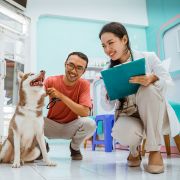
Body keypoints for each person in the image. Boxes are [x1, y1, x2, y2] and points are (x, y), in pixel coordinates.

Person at [99, 22, 180, 174]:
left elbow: (168, 81)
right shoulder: (107, 70)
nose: (107, 50)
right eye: (103, 46)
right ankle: (134, 150)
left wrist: (152, 78)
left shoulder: (149, 57)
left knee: (147, 89)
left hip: (154, 111)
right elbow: (106, 106)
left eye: (110, 43)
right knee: (121, 133)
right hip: (129, 114)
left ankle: (154, 151)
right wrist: (108, 93)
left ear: (124, 40)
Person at [44, 52, 96, 160]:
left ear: (84, 71)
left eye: (79, 68)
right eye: (71, 65)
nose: (73, 70)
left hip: (71, 127)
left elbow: (85, 112)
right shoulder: (51, 80)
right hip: (50, 126)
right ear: (65, 64)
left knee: (90, 123)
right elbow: (35, 97)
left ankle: (74, 148)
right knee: (30, 120)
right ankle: (42, 145)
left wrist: (61, 96)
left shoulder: (84, 84)